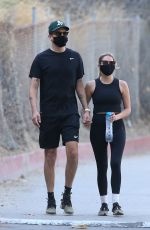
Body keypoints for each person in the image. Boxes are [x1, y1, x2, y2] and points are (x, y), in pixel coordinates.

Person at [29, 20, 91, 215]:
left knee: (73, 152)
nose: (62, 35)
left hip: (69, 113)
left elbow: (79, 85)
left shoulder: (75, 57)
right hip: (49, 114)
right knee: (50, 154)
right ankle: (50, 198)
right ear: (50, 36)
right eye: (58, 33)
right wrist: (34, 110)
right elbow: (34, 86)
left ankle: (67, 194)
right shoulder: (41, 59)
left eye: (65, 32)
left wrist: (86, 108)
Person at [85, 53, 131, 216]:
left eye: (111, 62)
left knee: (115, 163)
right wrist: (86, 115)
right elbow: (85, 106)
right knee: (102, 165)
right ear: (99, 65)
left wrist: (116, 117)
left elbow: (128, 109)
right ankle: (104, 204)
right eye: (104, 62)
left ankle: (116, 202)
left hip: (117, 127)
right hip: (98, 127)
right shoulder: (91, 85)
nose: (108, 65)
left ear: (115, 65)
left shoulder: (122, 85)